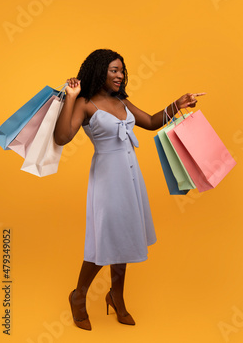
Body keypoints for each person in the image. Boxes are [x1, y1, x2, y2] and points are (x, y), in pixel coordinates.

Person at [54, 49, 205, 330]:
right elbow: (62, 136)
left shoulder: (120, 100)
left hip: (131, 176)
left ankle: (117, 297)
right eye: (114, 70)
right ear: (99, 71)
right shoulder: (86, 103)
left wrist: (178, 104)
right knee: (105, 238)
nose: (120, 75)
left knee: (124, 235)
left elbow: (149, 122)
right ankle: (78, 296)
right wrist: (71, 98)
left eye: (122, 70)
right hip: (107, 178)